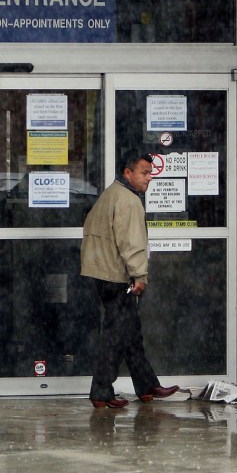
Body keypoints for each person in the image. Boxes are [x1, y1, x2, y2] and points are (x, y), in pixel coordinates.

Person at [81, 149, 179, 409]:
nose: (149, 178)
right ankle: (101, 391)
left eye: (150, 173)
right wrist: (139, 275)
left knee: (130, 333)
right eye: (144, 173)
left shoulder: (110, 194)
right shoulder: (129, 201)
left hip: (102, 272)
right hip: (116, 277)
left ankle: (147, 385)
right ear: (128, 173)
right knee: (116, 336)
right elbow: (132, 243)